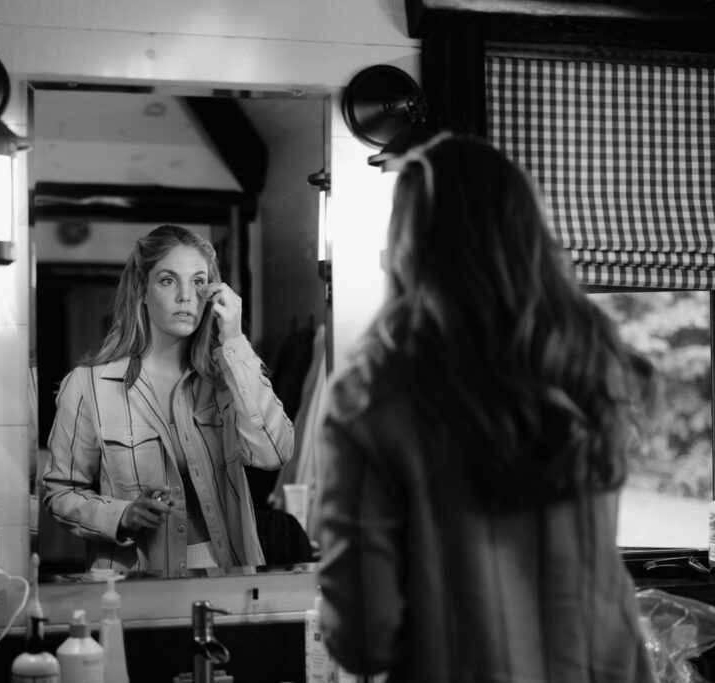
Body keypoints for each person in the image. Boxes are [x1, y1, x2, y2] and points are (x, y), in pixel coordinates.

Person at [317, 135, 658, 682]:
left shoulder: (372, 399)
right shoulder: (591, 371)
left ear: (409, 247)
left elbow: (364, 638)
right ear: (529, 237)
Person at [43, 224, 294, 576]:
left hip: (230, 577)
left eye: (197, 282)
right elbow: (60, 494)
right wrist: (122, 514)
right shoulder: (88, 386)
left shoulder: (229, 380)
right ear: (141, 291)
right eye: (167, 280)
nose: (185, 297)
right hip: (136, 587)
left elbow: (273, 454)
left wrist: (234, 341)